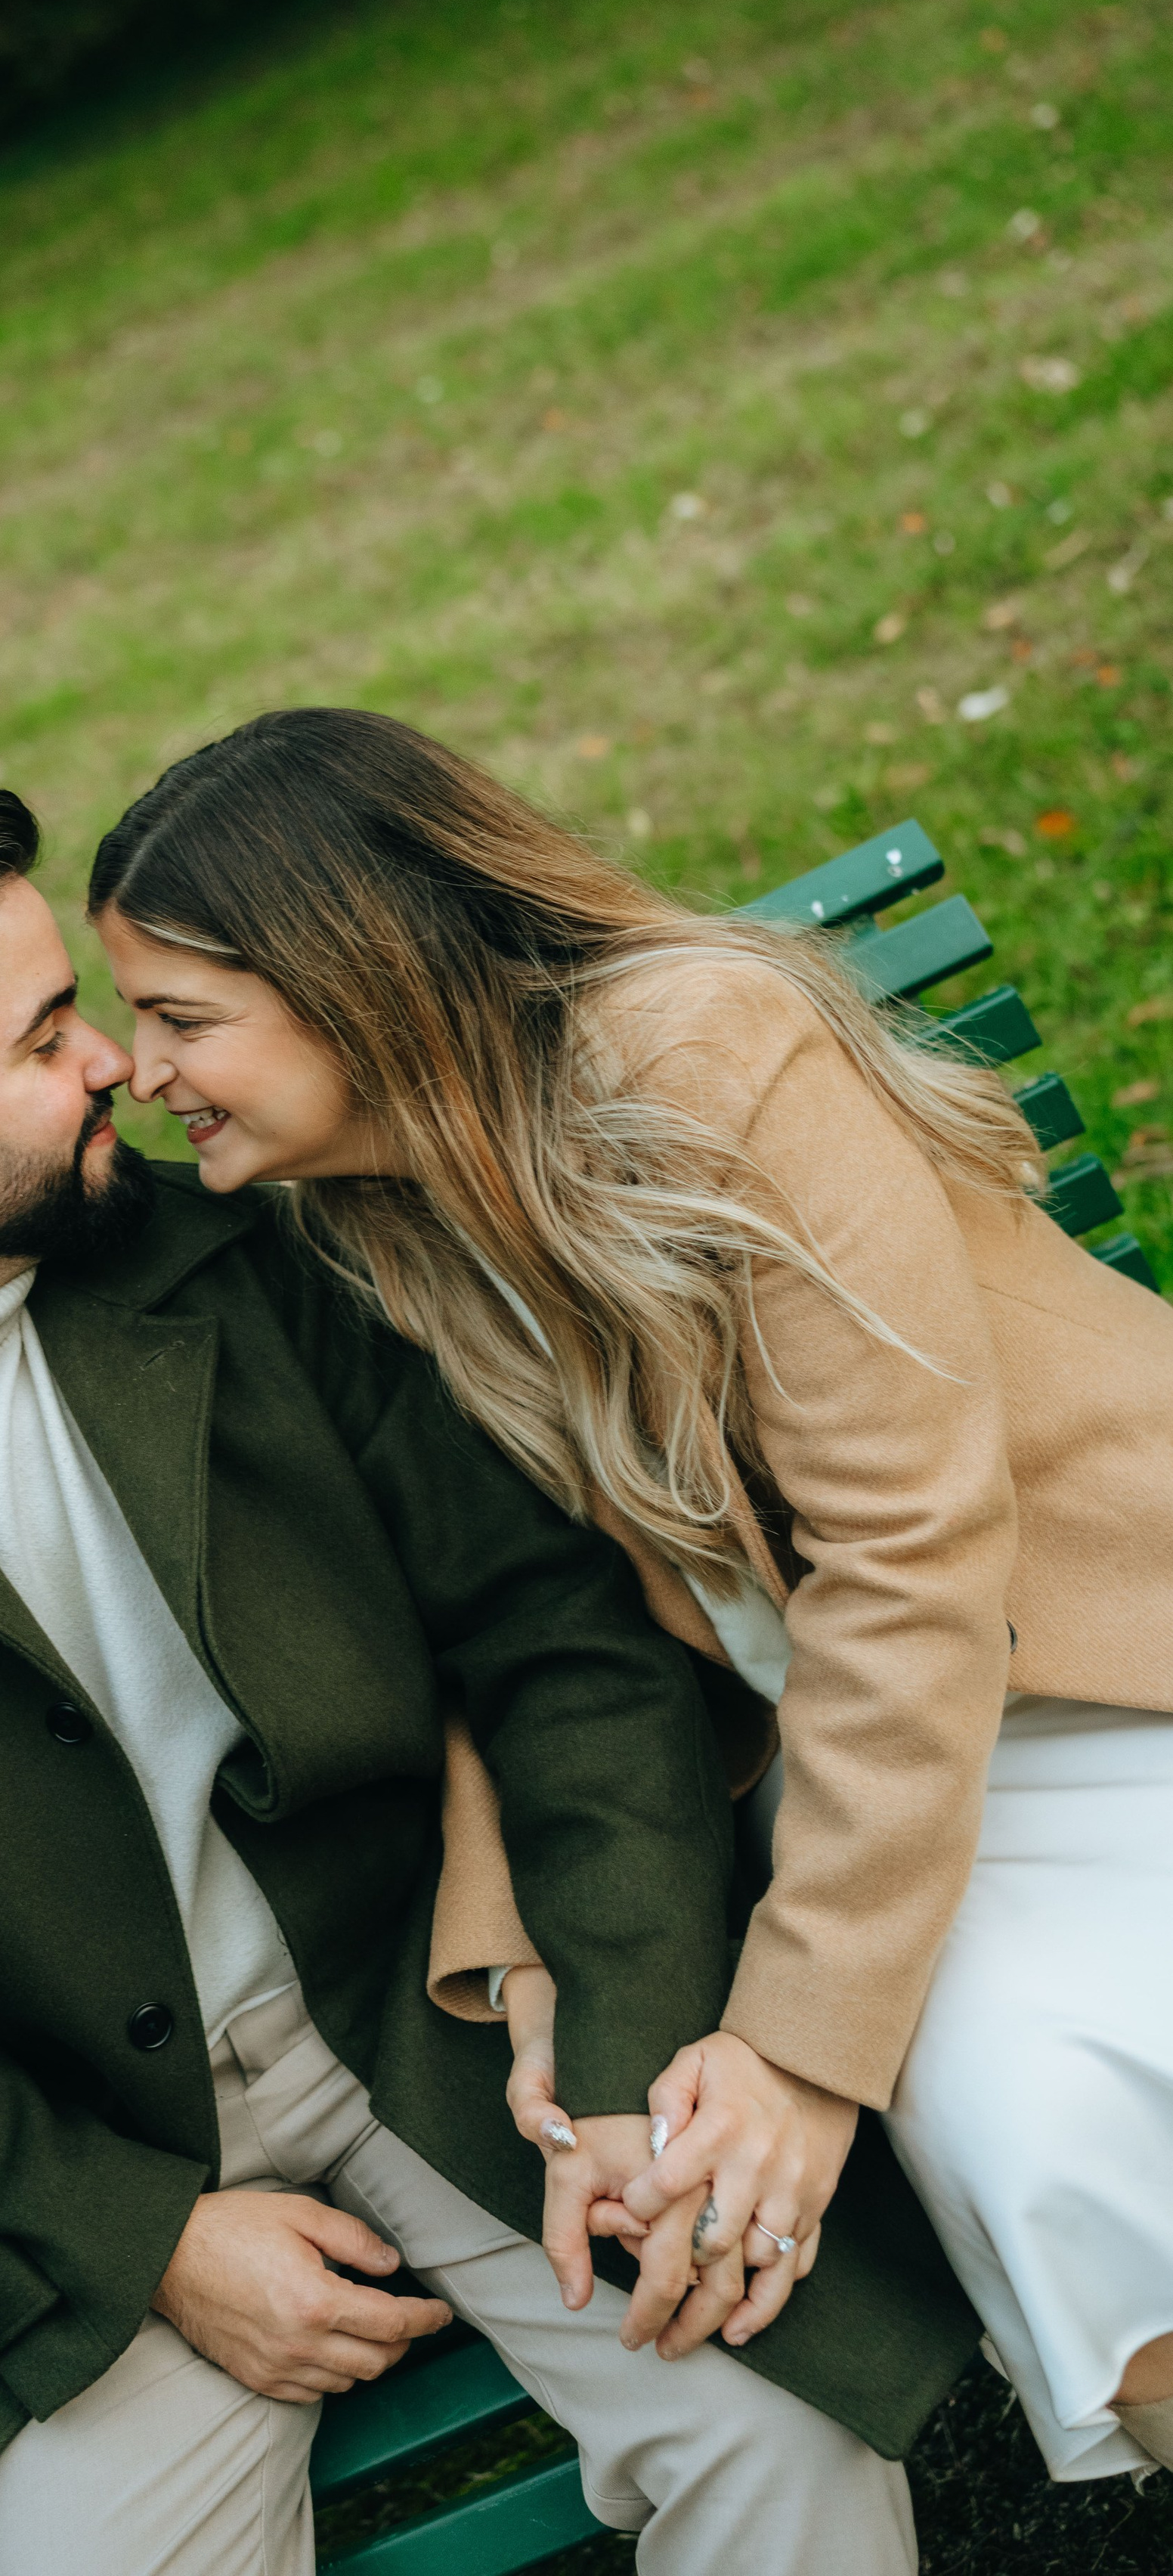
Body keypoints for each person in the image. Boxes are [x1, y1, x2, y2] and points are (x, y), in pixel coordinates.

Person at [0, 770, 966, 2576]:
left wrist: (613, 2044)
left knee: (780, 2444)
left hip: (425, 2026)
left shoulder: (236, 1254)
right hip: (94, 2153)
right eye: (51, 1033)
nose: (120, 1063)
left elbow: (553, 1637)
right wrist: (146, 2242)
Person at [89, 704, 1173, 2489]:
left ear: (351, 985)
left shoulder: (696, 1057)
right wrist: (534, 1970)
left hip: (1094, 1668)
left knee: (982, 2088)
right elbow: (518, 1629)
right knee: (1018, 2117)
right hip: (879, 1790)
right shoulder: (360, 1226)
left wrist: (802, 2052)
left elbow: (906, 1556)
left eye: (183, 1018)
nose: (146, 1071)